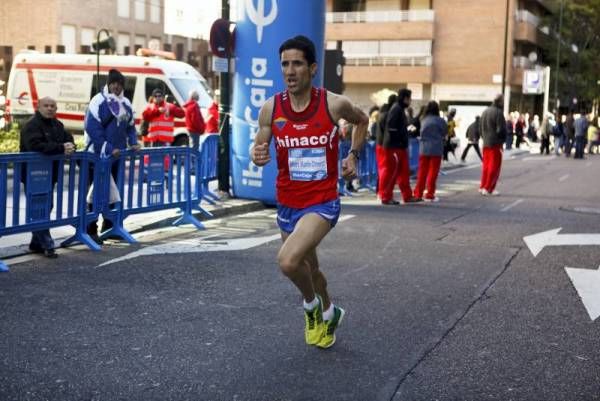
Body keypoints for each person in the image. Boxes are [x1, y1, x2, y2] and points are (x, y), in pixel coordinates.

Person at [250, 35, 368, 349]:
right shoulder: (271, 108)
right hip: (287, 203)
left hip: (322, 202)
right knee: (311, 270)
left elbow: (363, 121)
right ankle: (331, 311)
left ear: (312, 68)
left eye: (297, 64)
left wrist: (353, 155)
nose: (290, 71)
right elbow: (259, 144)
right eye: (285, 64)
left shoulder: (333, 104)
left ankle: (311, 307)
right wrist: (256, 154)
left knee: (289, 262)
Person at [85, 68, 140, 243]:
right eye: (114, 83)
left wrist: (133, 141)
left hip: (117, 157)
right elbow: (92, 127)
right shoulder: (98, 101)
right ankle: (90, 229)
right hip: (98, 156)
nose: (116, 87)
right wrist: (108, 148)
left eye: (120, 84)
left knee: (113, 194)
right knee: (95, 194)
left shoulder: (126, 103)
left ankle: (110, 226)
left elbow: (130, 126)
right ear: (109, 83)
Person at [20, 97, 75, 258]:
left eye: (53, 106)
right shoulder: (31, 125)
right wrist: (61, 147)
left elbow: (68, 140)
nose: (50, 108)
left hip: (49, 175)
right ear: (39, 107)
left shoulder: (57, 125)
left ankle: (36, 243)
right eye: (46, 106)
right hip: (33, 175)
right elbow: (35, 146)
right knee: (38, 208)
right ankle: (47, 243)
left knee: (46, 207)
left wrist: (71, 146)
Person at [380, 88, 417, 205]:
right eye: (409, 98)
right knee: (391, 172)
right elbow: (391, 127)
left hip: (399, 146)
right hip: (394, 146)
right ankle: (386, 196)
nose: (410, 101)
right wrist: (399, 138)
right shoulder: (396, 109)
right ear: (405, 98)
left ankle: (407, 195)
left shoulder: (399, 109)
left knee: (403, 172)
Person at [413, 100, 447, 202]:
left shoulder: (423, 119)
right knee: (433, 173)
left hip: (423, 148)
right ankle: (430, 194)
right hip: (436, 149)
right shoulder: (440, 120)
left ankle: (418, 193)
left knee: (422, 172)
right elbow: (444, 132)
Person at [479, 94, 507, 196]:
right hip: (495, 143)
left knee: (486, 166)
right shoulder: (499, 113)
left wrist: (483, 137)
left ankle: (483, 185)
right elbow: (501, 129)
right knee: (494, 167)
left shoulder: (485, 111)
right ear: (500, 102)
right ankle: (489, 188)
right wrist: (502, 140)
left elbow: (480, 127)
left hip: (486, 142)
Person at [375, 94, 396, 197]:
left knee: (382, 169)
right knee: (386, 170)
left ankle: (379, 190)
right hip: (385, 145)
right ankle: (382, 192)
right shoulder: (388, 115)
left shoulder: (382, 115)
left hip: (380, 144)